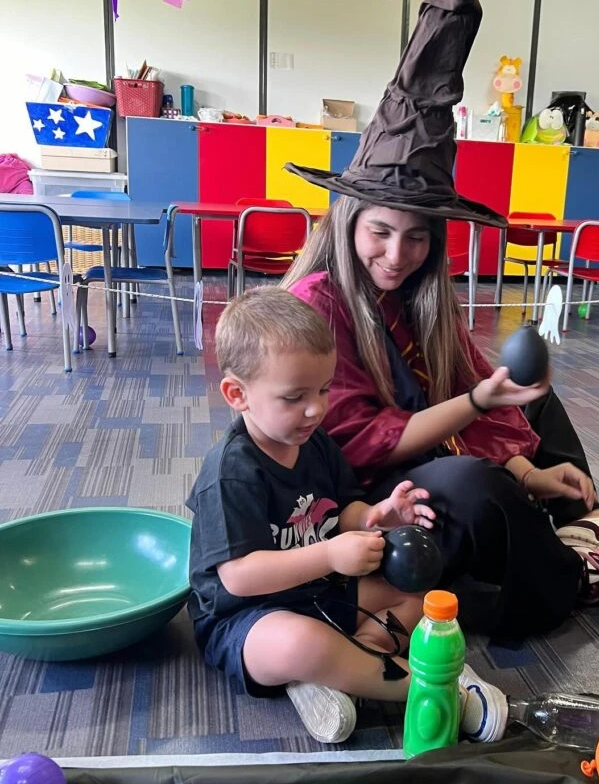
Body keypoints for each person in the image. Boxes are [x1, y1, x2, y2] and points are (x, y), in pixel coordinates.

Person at [281, 0, 599, 643]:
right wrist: (480, 412)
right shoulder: (315, 306)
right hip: (367, 494)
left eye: (418, 238)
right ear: (348, 220)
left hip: (429, 452)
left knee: (535, 400)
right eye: (381, 232)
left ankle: (572, 519)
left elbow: (473, 385)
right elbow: (365, 442)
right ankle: (571, 574)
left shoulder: (420, 297)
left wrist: (528, 468)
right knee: (471, 487)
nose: (397, 254)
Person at [187, 286, 507, 745]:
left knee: (418, 598)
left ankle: (345, 668)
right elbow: (239, 577)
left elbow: (343, 509)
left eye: (323, 390)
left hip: (321, 594)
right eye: (294, 397)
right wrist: (330, 555)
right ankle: (436, 692)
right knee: (299, 644)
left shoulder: (313, 443)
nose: (316, 409)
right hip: (247, 619)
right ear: (237, 394)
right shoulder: (231, 472)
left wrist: (376, 515)